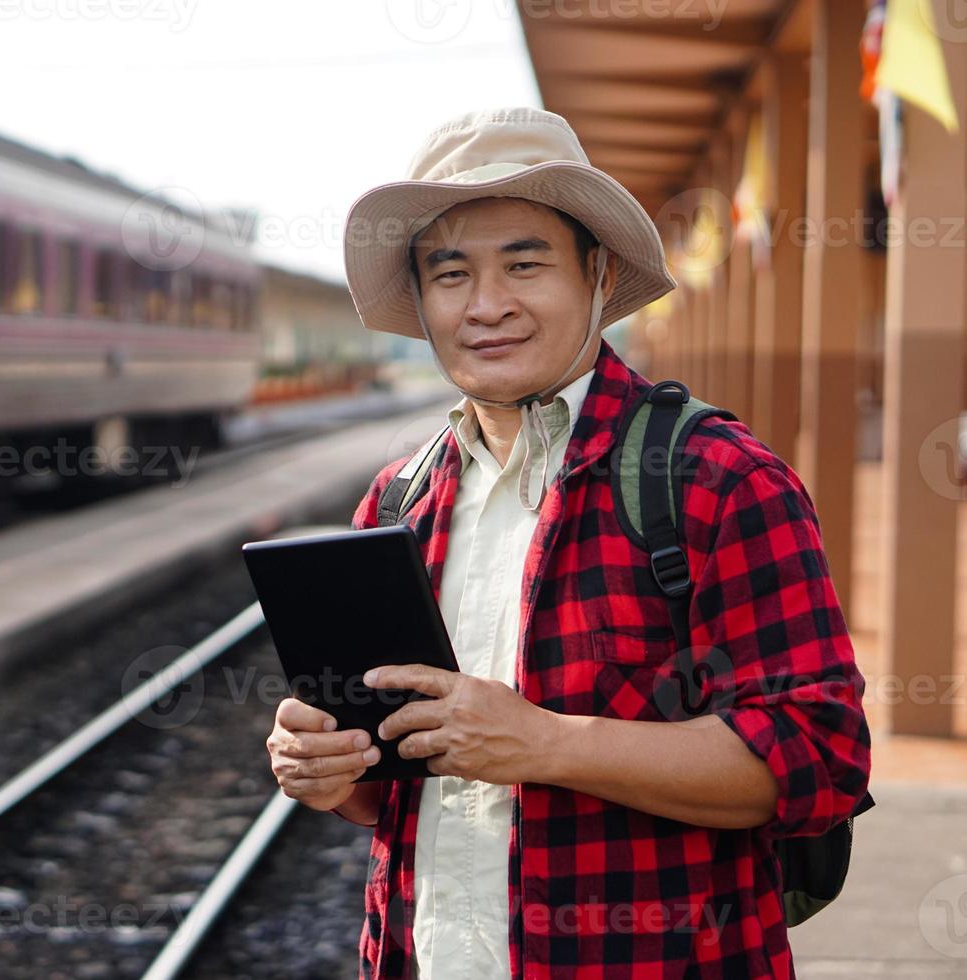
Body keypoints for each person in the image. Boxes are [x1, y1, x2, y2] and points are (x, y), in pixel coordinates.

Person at [264, 107, 872, 980]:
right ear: (423, 301)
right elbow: (384, 786)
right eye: (450, 273)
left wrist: (545, 743)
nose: (487, 305)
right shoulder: (401, 499)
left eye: (524, 262)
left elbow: (820, 758)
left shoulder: (713, 477)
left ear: (598, 274)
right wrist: (330, 770)